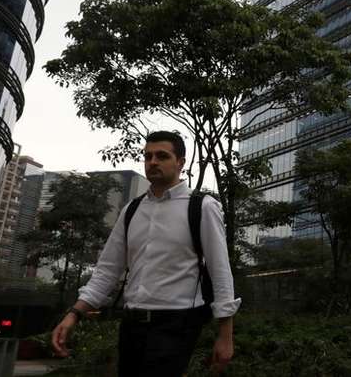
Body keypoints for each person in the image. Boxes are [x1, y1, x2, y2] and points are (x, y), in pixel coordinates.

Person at [51, 131, 240, 376]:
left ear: (180, 162)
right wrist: (74, 314)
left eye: (162, 156)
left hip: (177, 324)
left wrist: (225, 336)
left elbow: (220, 272)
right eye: (148, 156)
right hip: (131, 324)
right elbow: (107, 270)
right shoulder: (132, 210)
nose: (153, 162)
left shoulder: (202, 206)